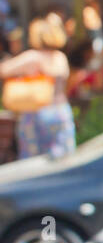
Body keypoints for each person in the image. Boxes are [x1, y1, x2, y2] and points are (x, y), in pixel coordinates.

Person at [0, 15, 75, 159]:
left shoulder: (33, 57)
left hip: (37, 113)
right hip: (61, 111)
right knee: (63, 159)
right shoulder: (60, 57)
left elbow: (3, 70)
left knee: (32, 161)